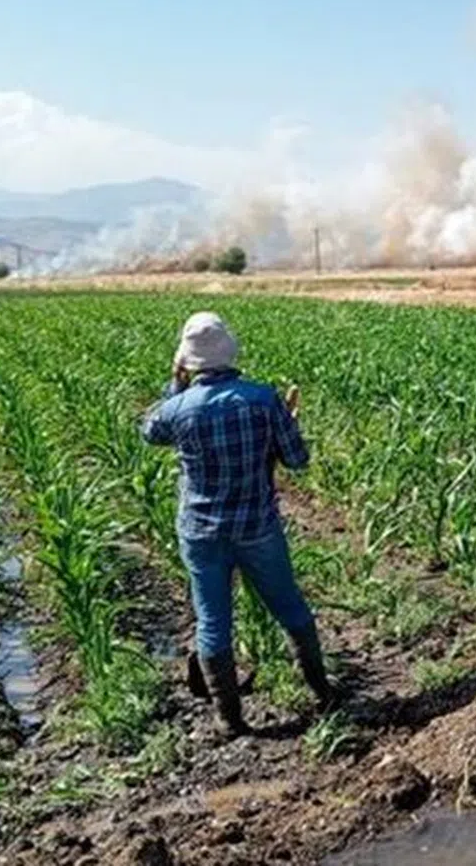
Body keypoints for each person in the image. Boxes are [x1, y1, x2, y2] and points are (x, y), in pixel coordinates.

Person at [142, 311, 334, 736]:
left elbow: (150, 431)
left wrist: (176, 381)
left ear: (189, 362)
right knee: (290, 608)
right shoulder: (263, 399)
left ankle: (230, 721)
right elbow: (298, 461)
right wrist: (288, 426)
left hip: (201, 530)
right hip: (257, 526)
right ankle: (323, 693)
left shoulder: (177, 408)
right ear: (229, 352)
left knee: (213, 622)